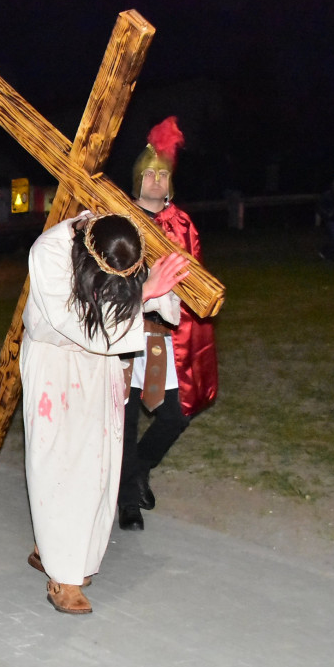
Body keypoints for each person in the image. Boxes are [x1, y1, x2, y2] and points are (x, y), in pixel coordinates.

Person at [22, 211, 189, 614]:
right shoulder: (49, 253)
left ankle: (63, 552)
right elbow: (76, 325)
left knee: (98, 465)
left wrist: (159, 287)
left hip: (102, 365)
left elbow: (161, 304)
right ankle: (63, 577)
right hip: (57, 366)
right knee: (59, 464)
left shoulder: (120, 238)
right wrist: (144, 293)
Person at [117, 117, 219, 531]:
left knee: (176, 415)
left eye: (163, 174)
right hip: (125, 332)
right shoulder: (120, 220)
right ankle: (127, 502)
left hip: (166, 338)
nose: (156, 181)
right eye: (150, 173)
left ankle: (137, 470)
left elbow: (195, 281)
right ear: (139, 177)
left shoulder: (183, 224)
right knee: (123, 420)